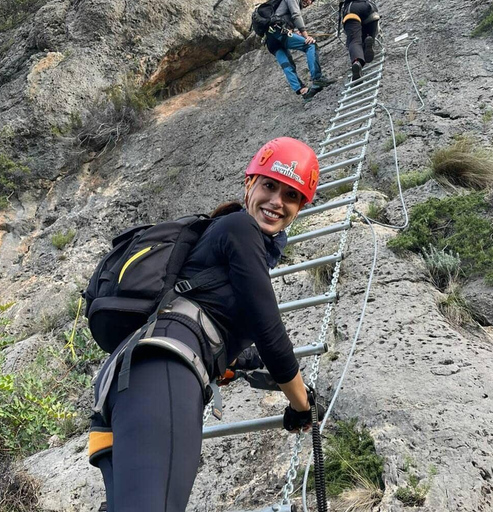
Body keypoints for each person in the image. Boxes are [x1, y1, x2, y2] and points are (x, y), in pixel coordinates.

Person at [89, 137, 327, 511]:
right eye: (269, 185)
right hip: (164, 369)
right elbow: (270, 331)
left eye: (292, 195)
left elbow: (221, 332)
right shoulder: (240, 229)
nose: (277, 201)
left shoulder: (224, 243)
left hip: (134, 382)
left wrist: (243, 363)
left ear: (300, 206)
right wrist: (301, 404)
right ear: (249, 183)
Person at [267, 0, 336, 102]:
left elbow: (281, 17)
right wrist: (306, 36)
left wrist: (294, 32)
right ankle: (317, 79)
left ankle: (303, 91)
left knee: (287, 64)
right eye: (310, 0)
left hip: (270, 40)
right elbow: (296, 15)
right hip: (280, 33)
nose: (309, 2)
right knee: (310, 45)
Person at [339, 0, 379, 81]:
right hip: (369, 7)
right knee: (367, 34)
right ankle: (367, 43)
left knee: (354, 40)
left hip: (352, 9)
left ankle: (357, 62)